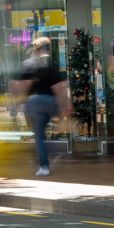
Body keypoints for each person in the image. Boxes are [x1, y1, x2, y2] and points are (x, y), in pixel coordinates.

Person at [12, 37, 72, 177]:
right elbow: (59, 88)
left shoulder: (27, 64)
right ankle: (49, 144)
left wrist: (19, 101)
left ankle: (44, 166)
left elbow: (23, 85)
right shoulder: (50, 66)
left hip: (35, 103)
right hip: (50, 103)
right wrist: (66, 105)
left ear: (34, 50)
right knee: (44, 131)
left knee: (38, 135)